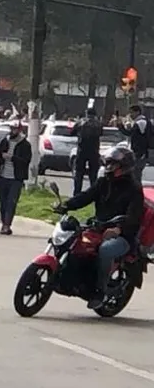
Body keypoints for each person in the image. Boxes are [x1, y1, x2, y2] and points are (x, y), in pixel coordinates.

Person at [56, 146, 145, 309]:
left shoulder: (134, 189)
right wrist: (66, 205)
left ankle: (100, 290)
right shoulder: (104, 182)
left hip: (123, 237)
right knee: (74, 240)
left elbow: (134, 217)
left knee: (105, 250)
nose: (109, 166)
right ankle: (69, 278)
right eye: (108, 163)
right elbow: (86, 196)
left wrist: (119, 229)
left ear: (124, 166)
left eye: (113, 164)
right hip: (98, 227)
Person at [0, 123, 32, 235]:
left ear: (19, 130)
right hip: (3, 176)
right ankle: (3, 223)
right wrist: (0, 156)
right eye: (11, 128)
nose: (12, 131)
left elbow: (26, 161)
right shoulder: (5, 140)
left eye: (15, 129)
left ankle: (7, 225)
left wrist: (12, 158)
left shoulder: (25, 144)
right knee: (3, 202)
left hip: (16, 178)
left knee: (11, 202)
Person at [71, 108, 103, 195]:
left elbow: (72, 132)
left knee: (79, 172)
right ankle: (94, 193)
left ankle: (77, 192)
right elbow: (101, 133)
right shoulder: (98, 124)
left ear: (86, 113)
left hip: (82, 150)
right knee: (93, 174)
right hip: (94, 150)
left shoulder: (80, 122)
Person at [117, 105, 150, 183]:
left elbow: (130, 133)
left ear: (137, 112)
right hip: (141, 152)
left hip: (140, 153)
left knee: (136, 176)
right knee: (135, 175)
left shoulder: (140, 122)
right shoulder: (142, 121)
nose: (130, 115)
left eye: (132, 113)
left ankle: (137, 193)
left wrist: (120, 125)